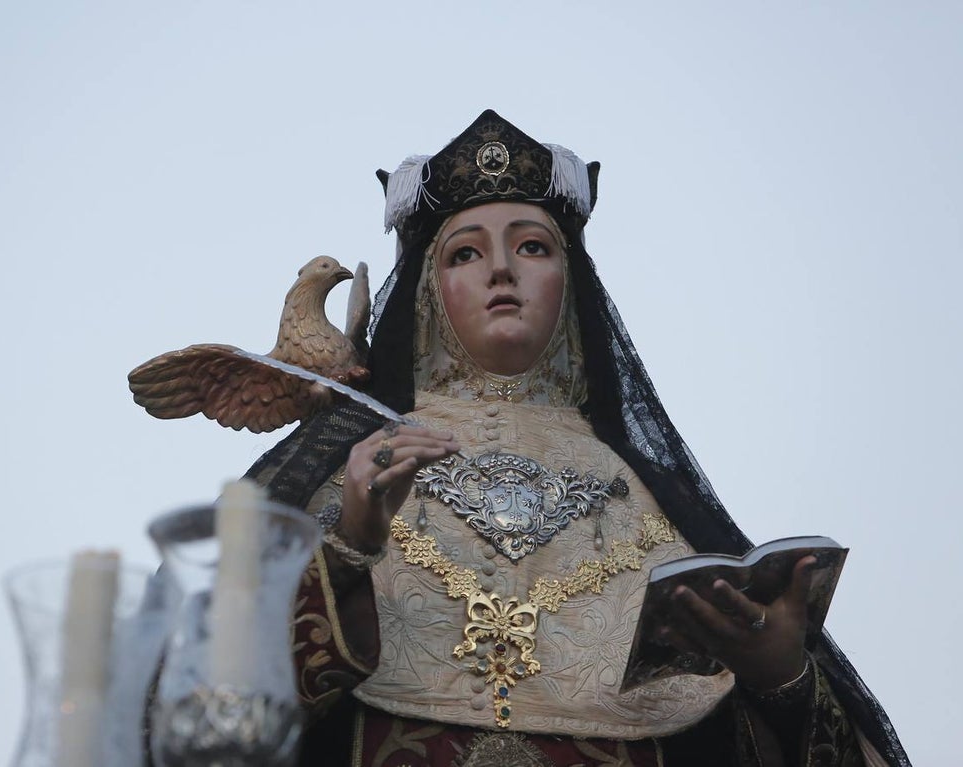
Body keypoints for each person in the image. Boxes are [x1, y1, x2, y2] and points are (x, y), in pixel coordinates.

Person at [246, 110, 908, 766]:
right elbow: (209, 707)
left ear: (570, 283)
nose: (501, 269)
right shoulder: (349, 463)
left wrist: (783, 681)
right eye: (466, 252)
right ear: (426, 288)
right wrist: (345, 547)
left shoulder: (654, 498)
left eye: (533, 246)